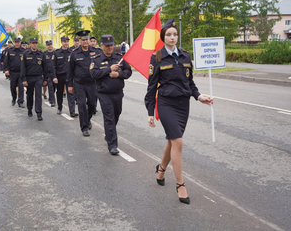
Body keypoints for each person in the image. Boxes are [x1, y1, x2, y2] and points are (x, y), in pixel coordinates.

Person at [144, 18, 214, 205]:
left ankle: (161, 170)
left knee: (172, 141)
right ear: (163, 37)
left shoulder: (185, 55)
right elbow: (151, 87)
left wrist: (200, 97)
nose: (172, 37)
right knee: (178, 142)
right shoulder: (157, 57)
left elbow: (190, 83)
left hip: (184, 105)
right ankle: (180, 184)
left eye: (175, 34)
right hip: (166, 104)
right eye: (169, 34)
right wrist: (151, 111)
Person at [90, 35, 132, 155]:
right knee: (109, 118)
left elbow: (128, 71)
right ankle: (112, 145)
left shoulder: (120, 58)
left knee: (116, 114)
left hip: (118, 93)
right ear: (102, 45)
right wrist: (109, 69)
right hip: (104, 94)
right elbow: (93, 74)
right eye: (107, 46)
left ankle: (109, 133)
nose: (110, 48)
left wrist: (118, 75)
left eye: (111, 45)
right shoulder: (96, 59)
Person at [68, 30, 97, 137]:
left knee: (92, 105)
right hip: (79, 84)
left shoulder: (95, 51)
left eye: (87, 39)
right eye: (83, 40)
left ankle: (88, 118)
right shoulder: (74, 53)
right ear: (79, 41)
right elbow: (70, 71)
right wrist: (70, 85)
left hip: (92, 83)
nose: (85, 41)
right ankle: (84, 127)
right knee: (82, 106)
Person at [20, 38, 49, 121]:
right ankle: (29, 108)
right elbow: (23, 68)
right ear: (30, 44)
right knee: (29, 95)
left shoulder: (41, 54)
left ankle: (39, 112)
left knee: (38, 95)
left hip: (38, 77)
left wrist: (45, 78)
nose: (34, 45)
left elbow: (45, 67)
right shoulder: (25, 54)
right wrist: (24, 79)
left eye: (36, 43)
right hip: (29, 78)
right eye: (33, 43)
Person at [52, 36, 78, 117]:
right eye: (64, 41)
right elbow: (53, 66)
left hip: (69, 76)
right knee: (59, 92)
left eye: (67, 41)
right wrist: (54, 77)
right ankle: (59, 107)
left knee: (71, 93)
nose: (66, 43)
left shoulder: (72, 52)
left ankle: (72, 111)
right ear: (61, 42)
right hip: (60, 75)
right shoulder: (56, 53)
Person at [4, 38, 25, 108]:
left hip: (21, 72)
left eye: (18, 42)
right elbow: (6, 62)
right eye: (15, 42)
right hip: (13, 72)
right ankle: (14, 98)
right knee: (13, 87)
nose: (17, 44)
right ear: (13, 43)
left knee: (21, 87)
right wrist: (6, 70)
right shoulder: (10, 51)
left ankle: (20, 101)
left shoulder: (24, 51)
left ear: (20, 43)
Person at [44, 40, 56, 107]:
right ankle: (52, 101)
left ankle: (51, 98)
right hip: (48, 73)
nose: (50, 46)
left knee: (54, 87)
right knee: (50, 87)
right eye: (48, 45)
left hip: (55, 74)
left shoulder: (55, 53)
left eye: (51, 44)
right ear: (46, 46)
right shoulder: (44, 54)